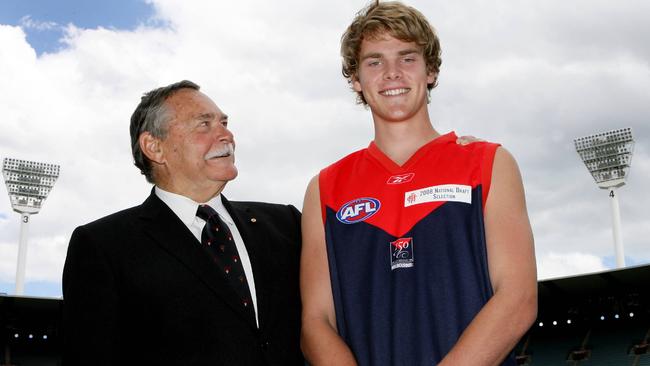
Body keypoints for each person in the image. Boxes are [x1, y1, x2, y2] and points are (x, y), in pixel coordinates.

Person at [300, 2, 537, 365]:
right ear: (356, 80)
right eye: (374, 62)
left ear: (431, 70)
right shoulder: (325, 188)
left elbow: (518, 299)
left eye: (407, 58)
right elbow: (316, 321)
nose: (392, 73)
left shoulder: (488, 164)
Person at [62, 80, 303, 365]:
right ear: (154, 147)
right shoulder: (103, 246)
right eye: (204, 124)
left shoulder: (286, 224)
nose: (227, 135)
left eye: (224, 122)